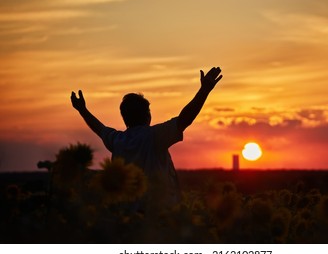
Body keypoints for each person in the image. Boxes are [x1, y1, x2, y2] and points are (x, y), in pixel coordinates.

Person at [71, 67, 223, 211]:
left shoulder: (118, 141)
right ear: (147, 115)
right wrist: (204, 90)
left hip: (127, 219)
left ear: (125, 118)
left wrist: (82, 110)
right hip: (157, 218)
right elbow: (185, 119)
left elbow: (99, 128)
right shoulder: (155, 136)